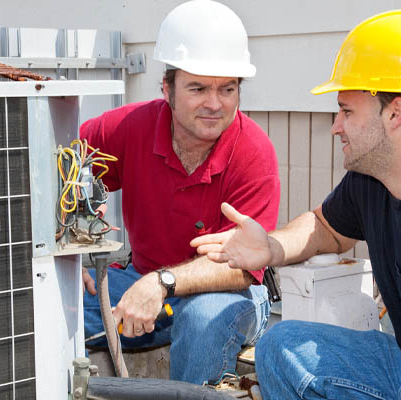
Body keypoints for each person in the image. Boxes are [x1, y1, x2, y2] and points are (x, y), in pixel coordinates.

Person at [191, 9, 401, 399]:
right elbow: (326, 228)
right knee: (280, 345)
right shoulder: (374, 180)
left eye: (346, 110)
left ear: (395, 113)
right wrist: (271, 248)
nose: (336, 125)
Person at [80, 0, 280, 385]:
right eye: (198, 88)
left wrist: (160, 284)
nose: (214, 104)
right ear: (167, 89)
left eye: (228, 89)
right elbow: (58, 168)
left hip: (227, 294)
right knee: (53, 301)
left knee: (203, 318)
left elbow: (240, 269)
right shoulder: (129, 128)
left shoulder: (254, 152)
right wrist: (67, 261)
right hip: (138, 280)